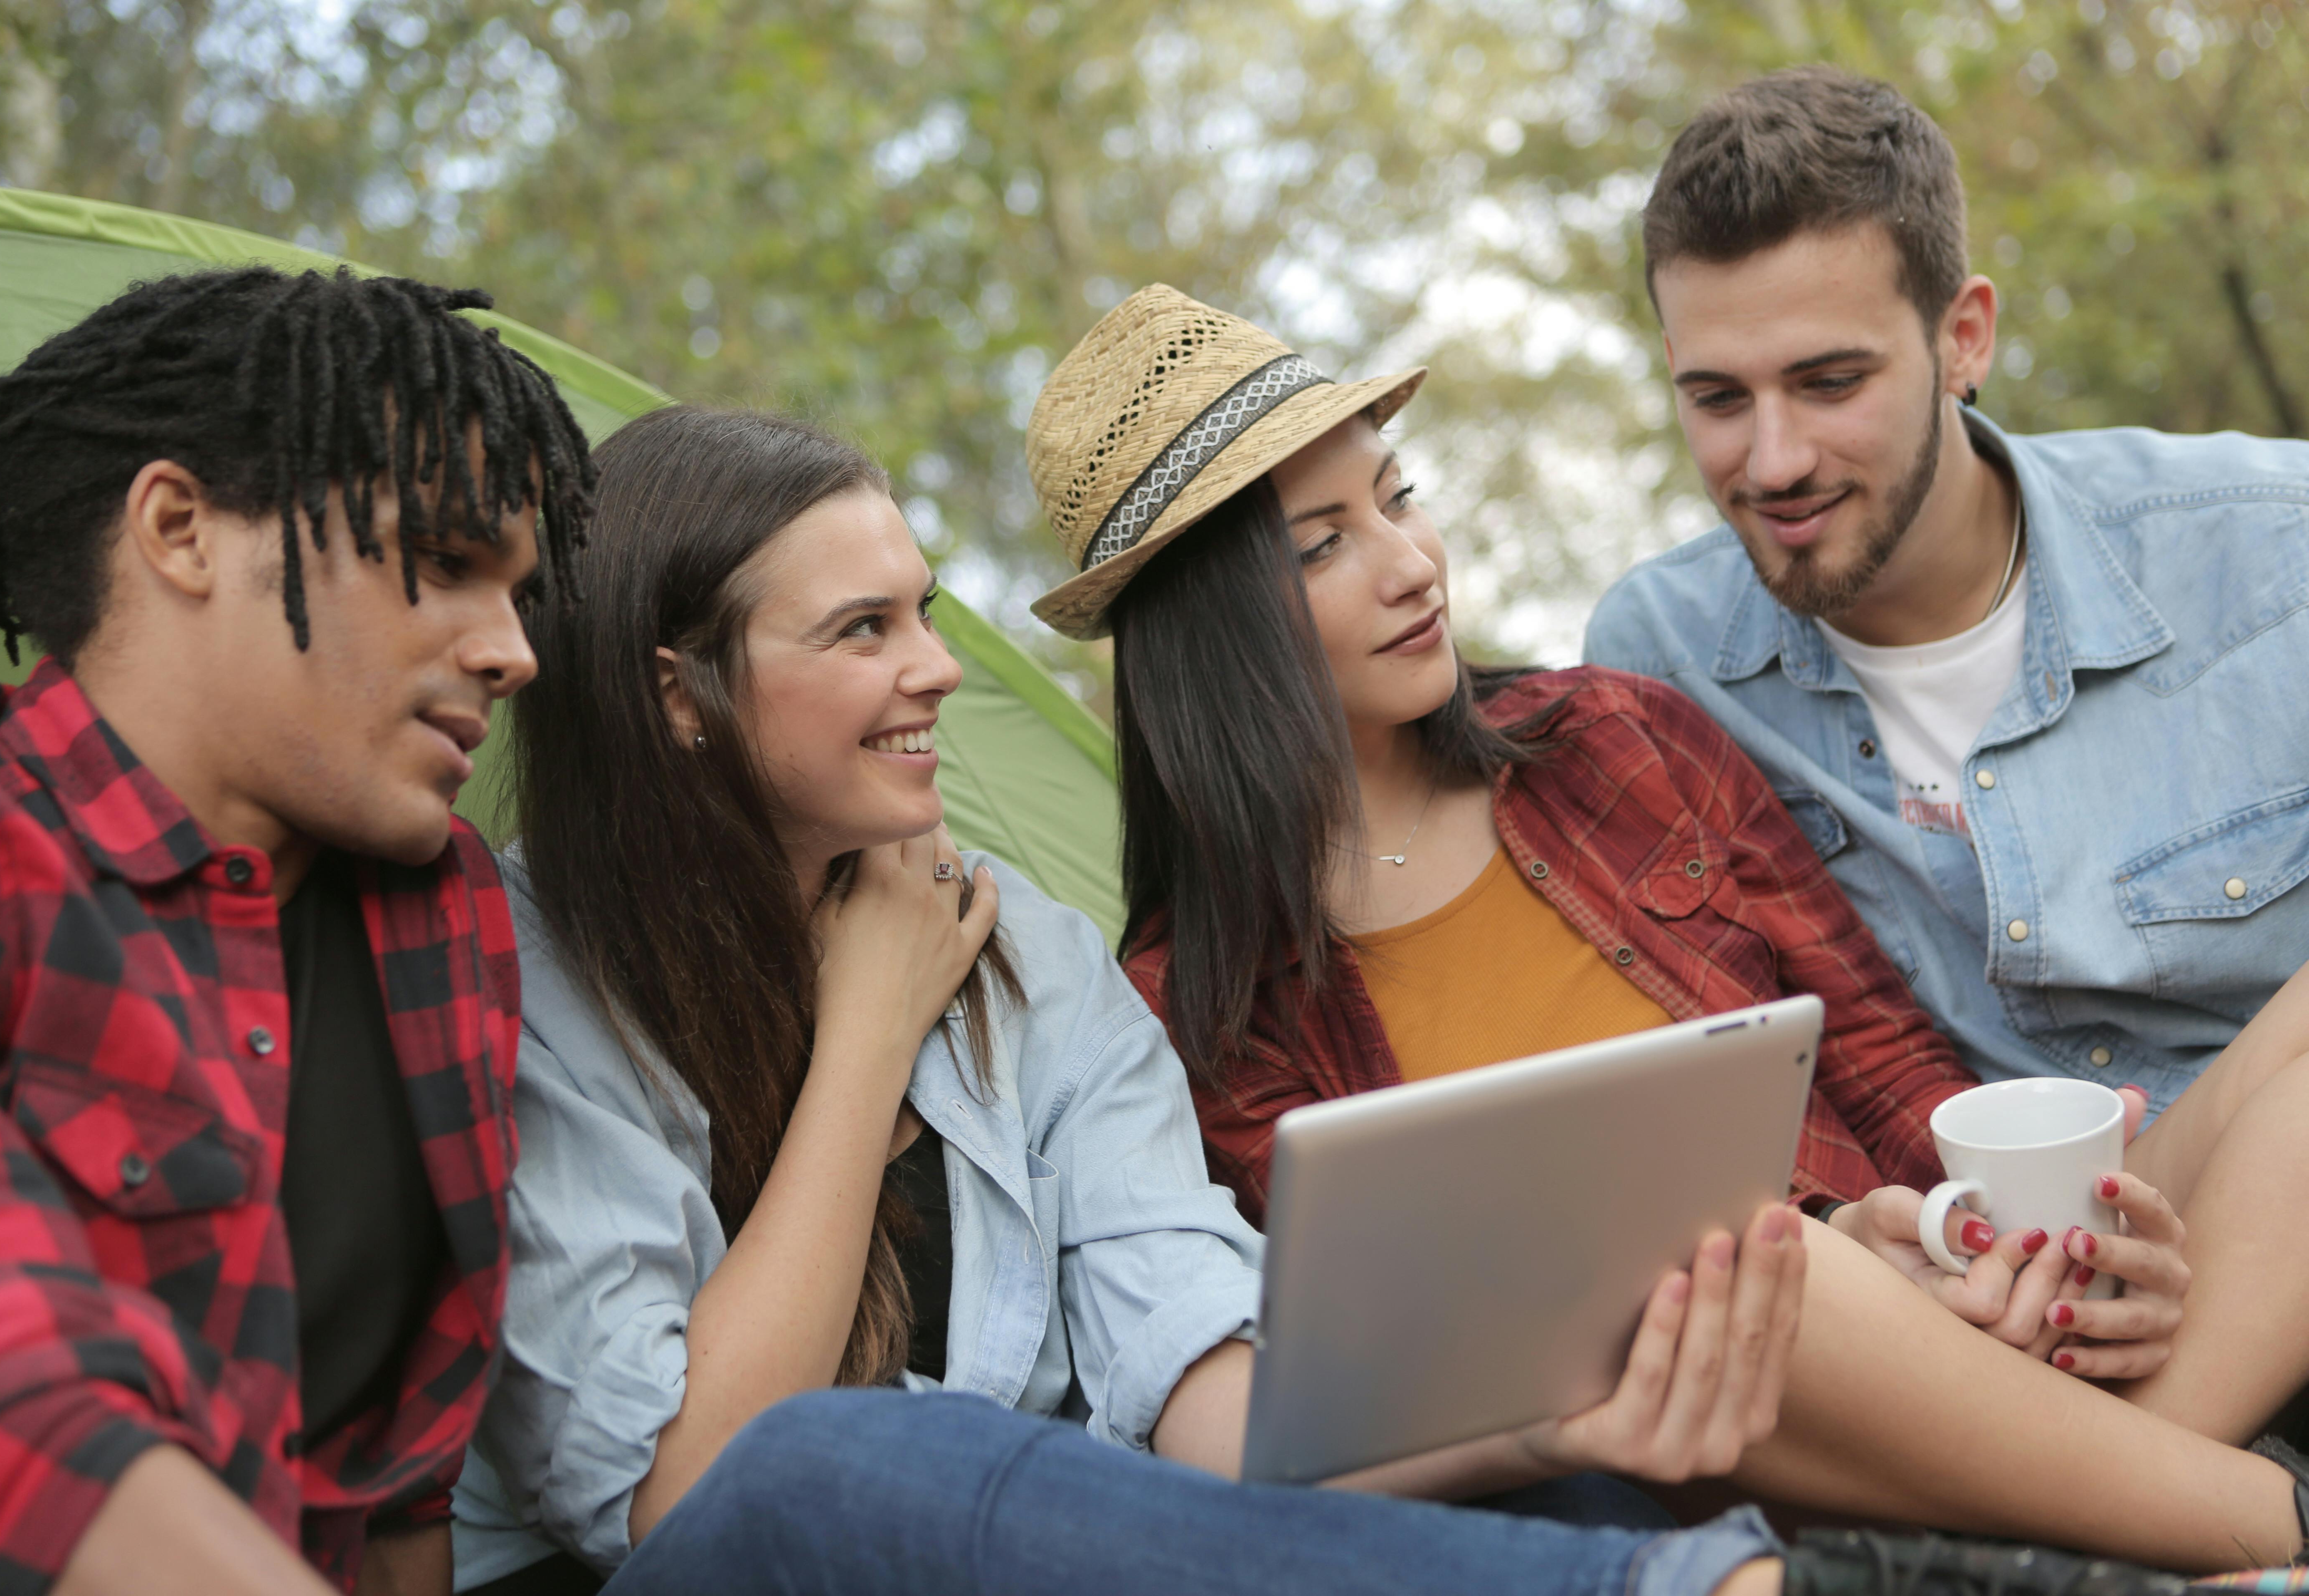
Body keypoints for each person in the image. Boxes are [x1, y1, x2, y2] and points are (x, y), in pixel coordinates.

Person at [445, 404, 2112, 1596]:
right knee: (837, 1459)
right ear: (682, 699)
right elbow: (688, 1502)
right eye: (864, 630)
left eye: (928, 615)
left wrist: (1542, 1405)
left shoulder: (1032, 959)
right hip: (762, 1551)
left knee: (1572, 1465)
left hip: (1069, 1548)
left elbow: (1194, 1379)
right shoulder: (531, 980)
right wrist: (867, 1032)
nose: (936, 669)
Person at [1020, 282, 2309, 1571]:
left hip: (1938, 1319)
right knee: (1745, 1267)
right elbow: (1401, 1376)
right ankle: (2245, 1520)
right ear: (1208, 629)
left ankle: (2152, 1519)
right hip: (1711, 1434)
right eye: (1322, 546)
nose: (1413, 564)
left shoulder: (1613, 740)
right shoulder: (1202, 1003)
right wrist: (1828, 1267)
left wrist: (1981, 1237)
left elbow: (1886, 1065)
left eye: (1398, 499)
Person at [1580, 64, 2309, 1451]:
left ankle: (2132, 1508)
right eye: (1716, 398)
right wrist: (1871, 1229)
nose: (1773, 459)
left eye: (1831, 380)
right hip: (1975, 1302)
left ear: (1963, 336)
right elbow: (1700, 1057)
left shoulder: (2276, 554)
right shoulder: (1655, 659)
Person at [0, 266, 594, 1594]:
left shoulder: (446, 911)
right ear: (181, 530)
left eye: (519, 594)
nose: (514, 652)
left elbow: (395, 1485)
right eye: (448, 563)